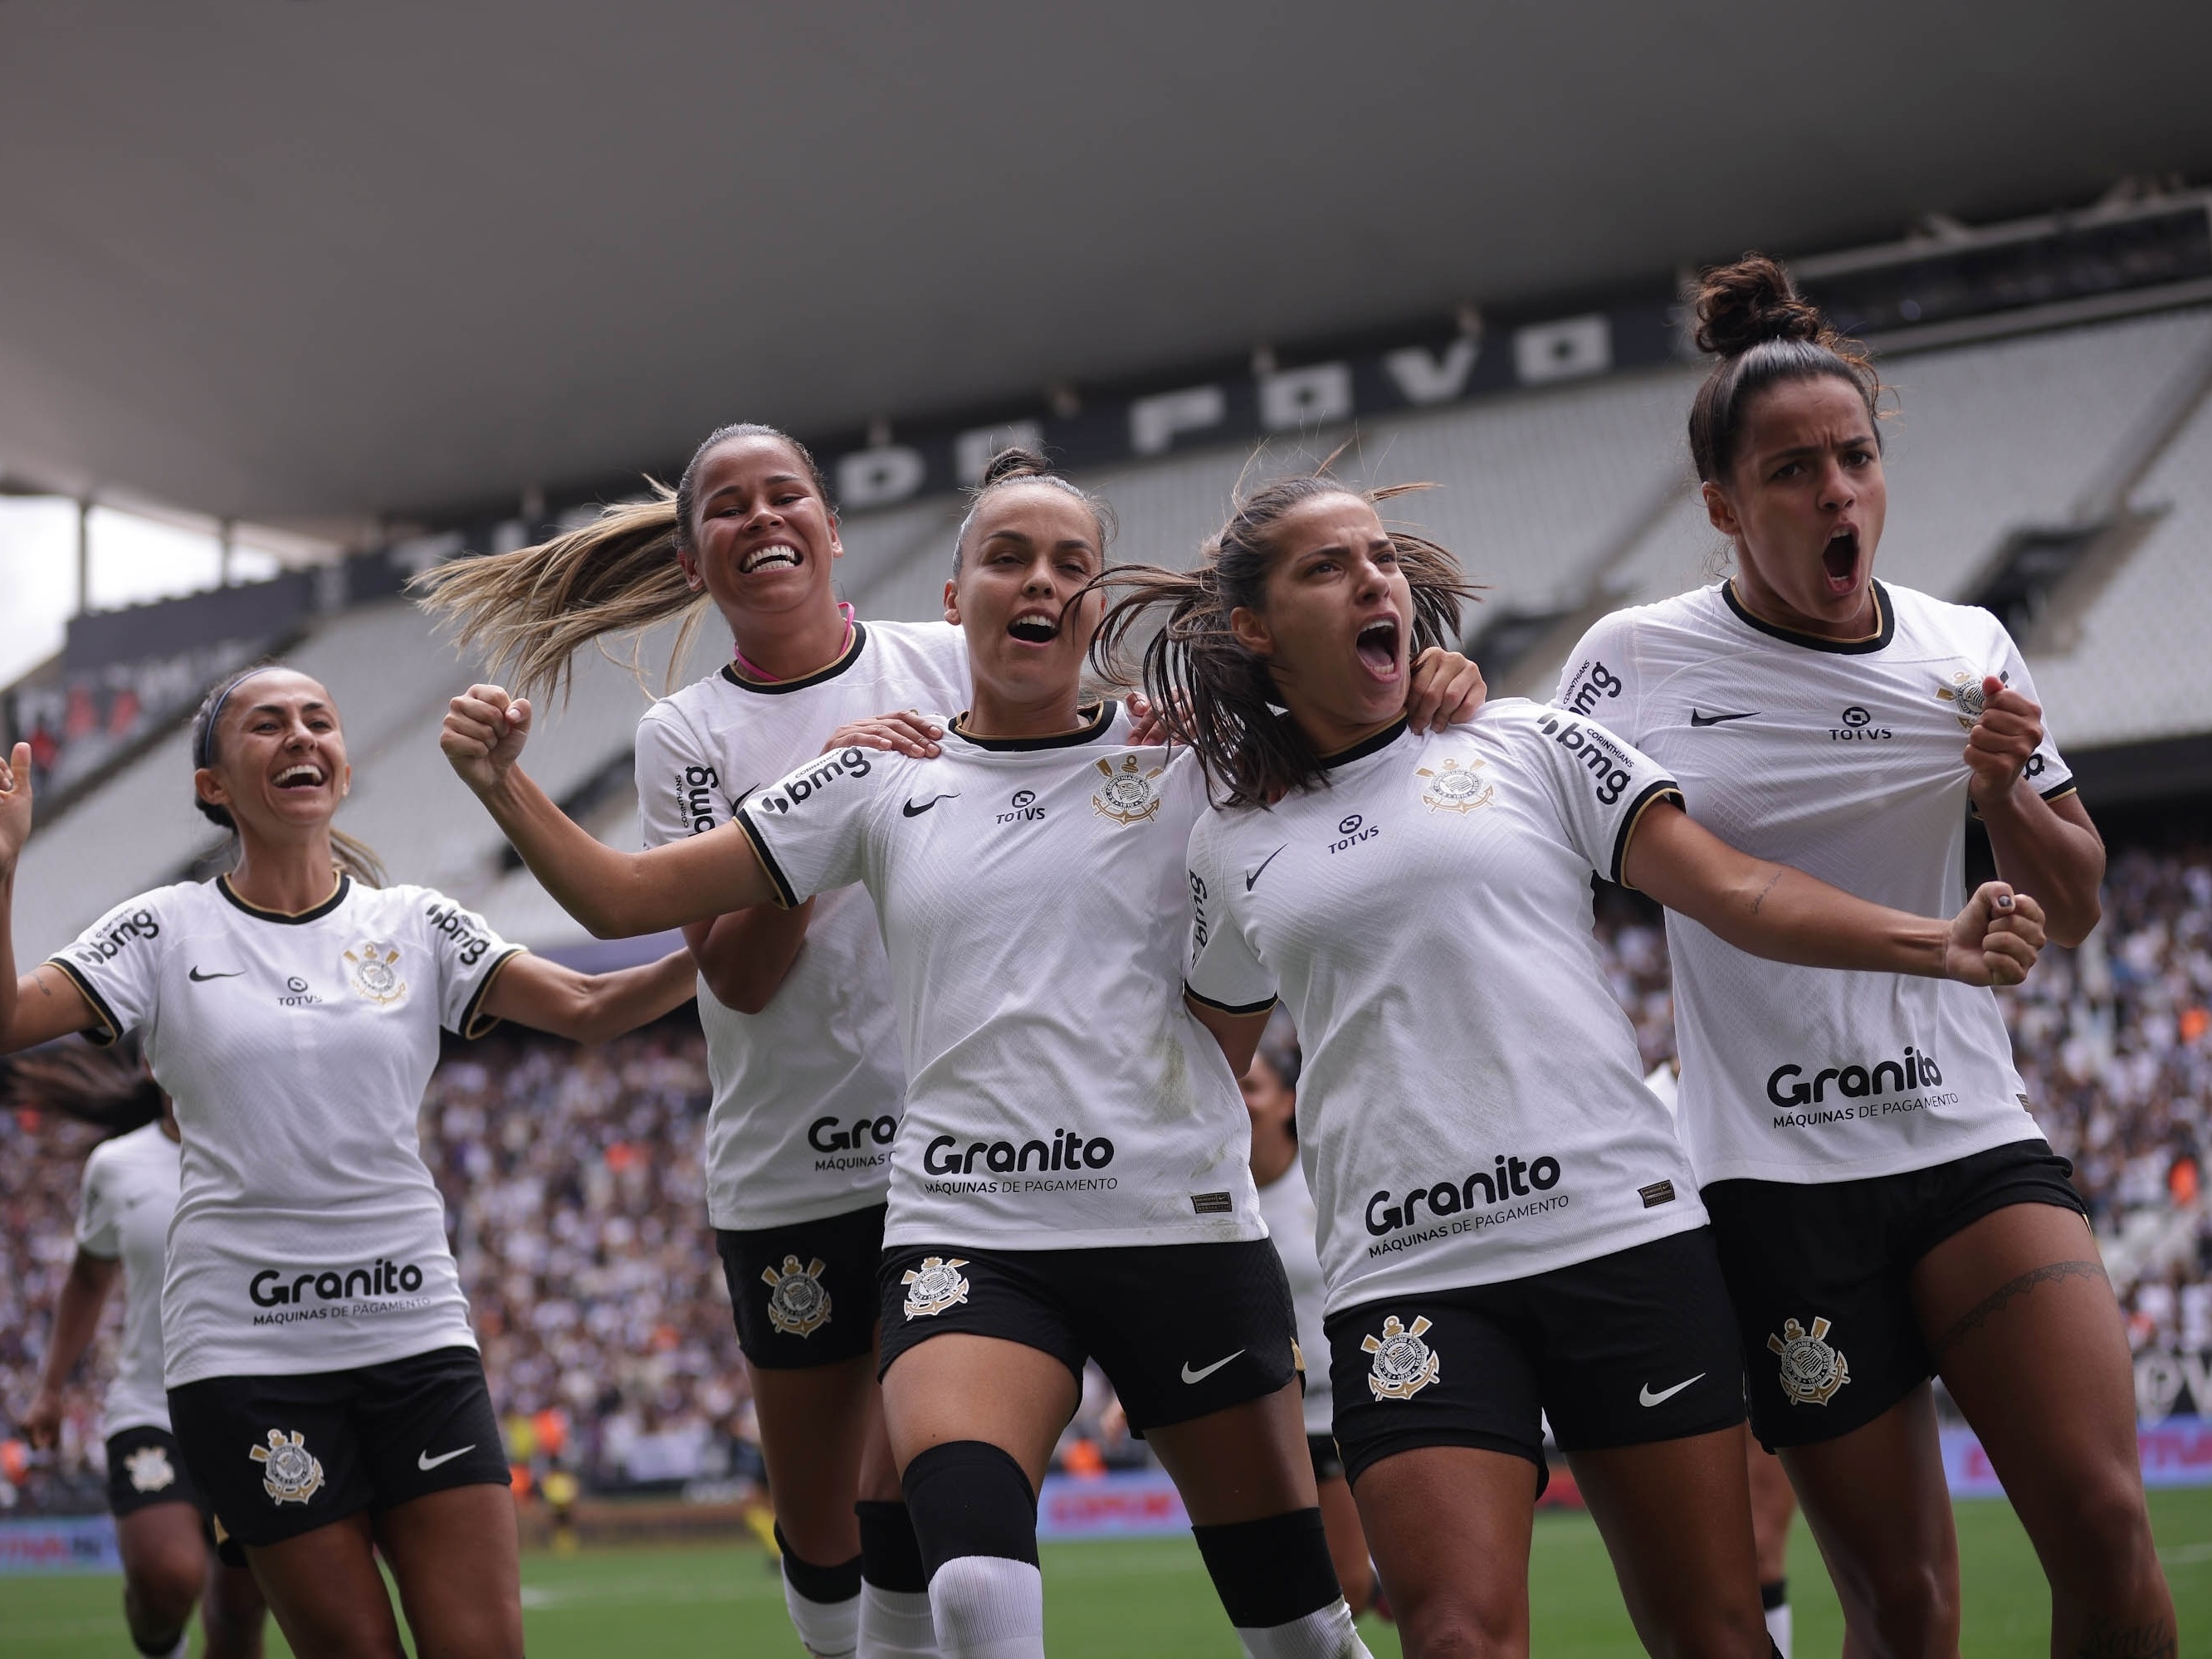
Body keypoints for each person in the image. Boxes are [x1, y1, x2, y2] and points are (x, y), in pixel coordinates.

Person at [437, 448, 1484, 1659]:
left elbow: (1355, 726)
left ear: (1095, 607)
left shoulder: (1191, 758)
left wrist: (1431, 680)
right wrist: (501, 782)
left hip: (1178, 1222)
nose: (1038, 582)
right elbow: (626, 897)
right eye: (1007, 557)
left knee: (1302, 1626)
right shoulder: (877, 769)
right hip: (970, 1231)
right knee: (972, 1594)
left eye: (1069, 565)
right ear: (951, 598)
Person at [1100, 471, 2044, 1659]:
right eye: (1326, 566)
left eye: (1380, 556)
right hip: (1408, 1272)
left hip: (1623, 1237)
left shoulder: (1529, 740)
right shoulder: (1226, 835)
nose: (1372, 578)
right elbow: (1198, 1076)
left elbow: (1733, 887)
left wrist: (1936, 940)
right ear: (1253, 624)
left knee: (1714, 1631)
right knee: (1452, 1636)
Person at [1554, 255, 2173, 1658]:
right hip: (1776, 1178)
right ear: (1722, 507)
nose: (1837, 493)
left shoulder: (1968, 646)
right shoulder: (1631, 660)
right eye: (1790, 472)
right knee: (1906, 1602)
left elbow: (2070, 903)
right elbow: (1526, 820)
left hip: (1967, 1137)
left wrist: (2008, 795)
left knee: (2108, 1527)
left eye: (1856, 459)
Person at [0, 664, 699, 1659]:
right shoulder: (160, 930)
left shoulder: (415, 923)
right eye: (267, 724)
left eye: (319, 720)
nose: (299, 736)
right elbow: (12, 1017)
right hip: (248, 1360)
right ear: (213, 786)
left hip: (415, 1339)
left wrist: (738, 935)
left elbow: (588, 1007)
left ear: (343, 759)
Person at [417, 422, 972, 1659]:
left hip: (954, 1157)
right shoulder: (688, 734)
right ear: (691, 561)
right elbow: (743, 974)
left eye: (787, 494)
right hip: (790, 1166)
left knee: (921, 1485)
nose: (762, 517)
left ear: (832, 528)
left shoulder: (948, 663)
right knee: (822, 1525)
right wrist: (816, 807)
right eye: (727, 505)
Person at [17, 1045, 269, 1659]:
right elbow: (87, 1274)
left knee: (239, 1619)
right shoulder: (118, 1165)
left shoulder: (269, 1151)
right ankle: (158, 1637)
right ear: (153, 1062)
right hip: (151, 1406)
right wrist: (50, 1388)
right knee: (169, 1577)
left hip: (258, 1414)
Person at [1646, 1059, 1797, 1658]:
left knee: (1761, 1542)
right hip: (1679, 1343)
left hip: (1766, 1325)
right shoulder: (1645, 1102)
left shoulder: (1765, 1082)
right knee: (1688, 1567)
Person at [1241, 1012, 1381, 1622]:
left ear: (1286, 1101)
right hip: (1261, 1417)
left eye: (1253, 1086)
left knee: (1342, 1587)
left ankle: (1381, 1588)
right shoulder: (1216, 1192)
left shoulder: (1324, 1177)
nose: (1239, 1099)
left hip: (1340, 1410)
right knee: (1286, 1592)